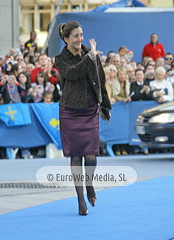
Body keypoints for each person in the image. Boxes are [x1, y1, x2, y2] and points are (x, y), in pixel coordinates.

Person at [55, 21, 111, 216]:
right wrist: (91, 56)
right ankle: (80, 199)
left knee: (91, 157)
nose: (80, 39)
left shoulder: (90, 53)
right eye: (76, 36)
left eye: (81, 35)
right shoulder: (60, 59)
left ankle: (89, 186)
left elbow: (101, 79)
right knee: (76, 157)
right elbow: (73, 72)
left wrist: (105, 105)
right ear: (66, 39)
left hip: (90, 110)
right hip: (70, 112)